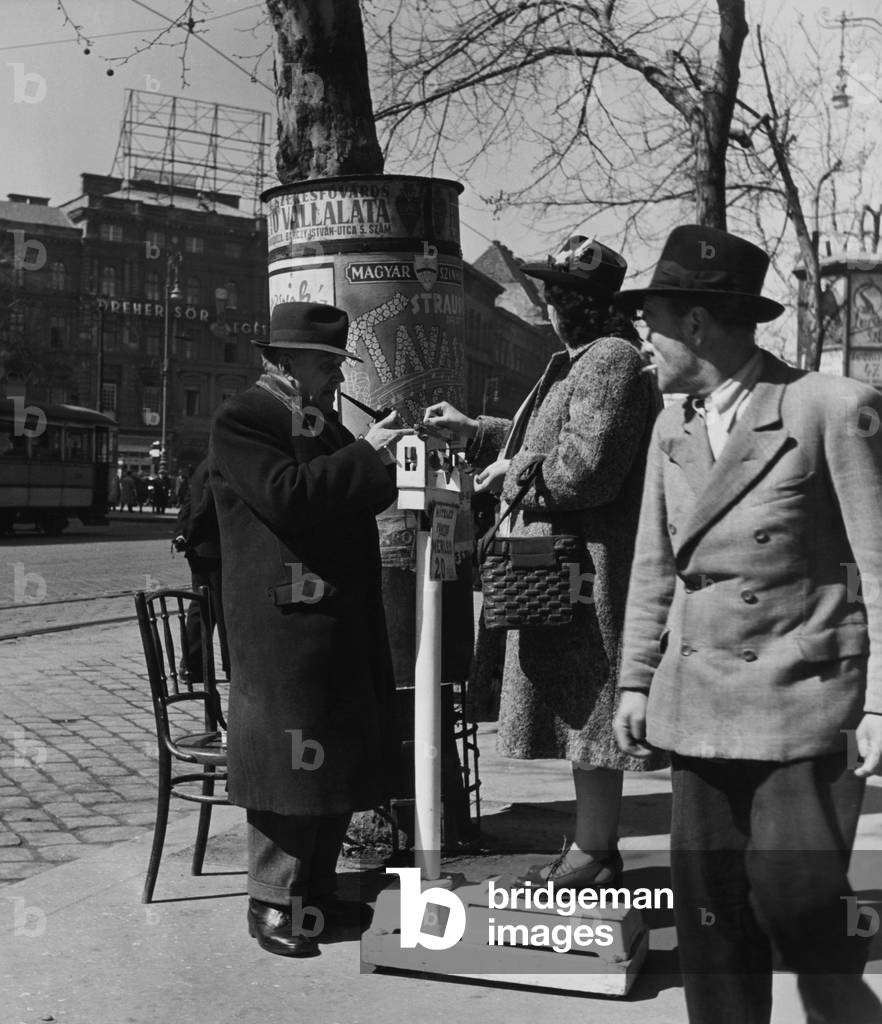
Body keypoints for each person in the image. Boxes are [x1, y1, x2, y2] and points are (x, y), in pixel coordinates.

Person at [613, 225, 882, 1024]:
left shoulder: (830, 408)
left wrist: (880, 706)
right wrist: (633, 680)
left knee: (804, 917)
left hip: (802, 712)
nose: (645, 343)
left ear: (697, 324)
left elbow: (880, 562)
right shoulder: (672, 427)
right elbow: (655, 566)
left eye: (652, 322)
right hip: (697, 710)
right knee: (712, 924)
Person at [424, 234, 665, 890]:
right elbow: (545, 443)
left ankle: (595, 853)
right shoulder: (581, 359)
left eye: (553, 294)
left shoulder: (611, 360)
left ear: (574, 303)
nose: (546, 304)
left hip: (584, 572)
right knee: (582, 713)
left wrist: (512, 470)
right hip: (560, 568)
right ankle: (591, 848)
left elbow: (587, 469)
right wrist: (476, 434)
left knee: (593, 712)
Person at [209, 300, 407, 958]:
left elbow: (358, 490)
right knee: (289, 765)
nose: (335, 378)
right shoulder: (245, 418)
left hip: (331, 618)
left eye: (336, 365)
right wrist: (368, 456)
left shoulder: (316, 421)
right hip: (285, 625)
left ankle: (316, 895)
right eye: (325, 365)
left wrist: (385, 455)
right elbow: (286, 496)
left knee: (332, 761)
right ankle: (271, 901)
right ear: (286, 361)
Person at [172, 455, 229, 681]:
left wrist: (181, 532)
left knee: (200, 608)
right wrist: (190, 534)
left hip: (198, 551)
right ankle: (230, 665)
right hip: (214, 549)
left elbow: (188, 502)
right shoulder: (219, 463)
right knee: (222, 609)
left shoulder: (202, 464)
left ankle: (191, 665)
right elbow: (205, 505)